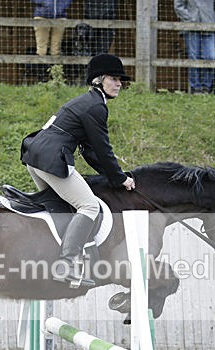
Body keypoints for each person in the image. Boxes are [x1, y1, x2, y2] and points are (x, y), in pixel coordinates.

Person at [20, 54, 136, 287]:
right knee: (89, 206)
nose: (119, 83)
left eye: (120, 80)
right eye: (114, 78)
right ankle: (67, 264)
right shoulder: (96, 107)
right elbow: (103, 150)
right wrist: (120, 178)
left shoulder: (85, 102)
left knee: (62, 207)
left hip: (35, 156)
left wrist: (112, 176)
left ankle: (54, 255)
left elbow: (90, 152)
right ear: (98, 80)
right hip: (51, 159)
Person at [174, 1, 215, 94]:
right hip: (191, 28)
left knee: (210, 57)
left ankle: (206, 87)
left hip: (209, 26)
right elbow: (178, 5)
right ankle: (195, 87)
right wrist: (189, 19)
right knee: (193, 57)